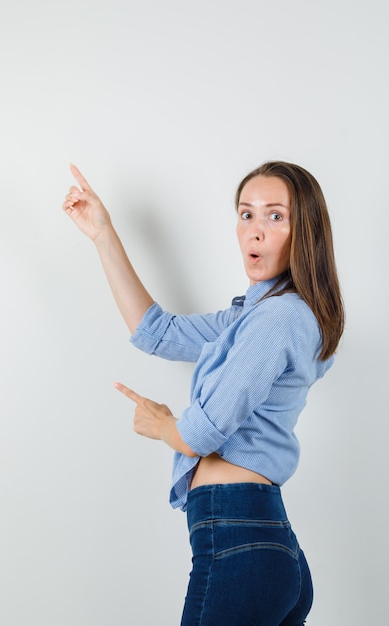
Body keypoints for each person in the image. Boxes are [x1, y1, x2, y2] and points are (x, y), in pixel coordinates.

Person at [62, 161, 344, 626]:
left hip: (238, 536)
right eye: (246, 214)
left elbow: (199, 434)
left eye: (275, 216)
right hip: (265, 539)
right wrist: (103, 235)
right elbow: (156, 332)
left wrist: (160, 423)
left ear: (305, 232)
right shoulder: (260, 317)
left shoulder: (276, 320)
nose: (255, 231)